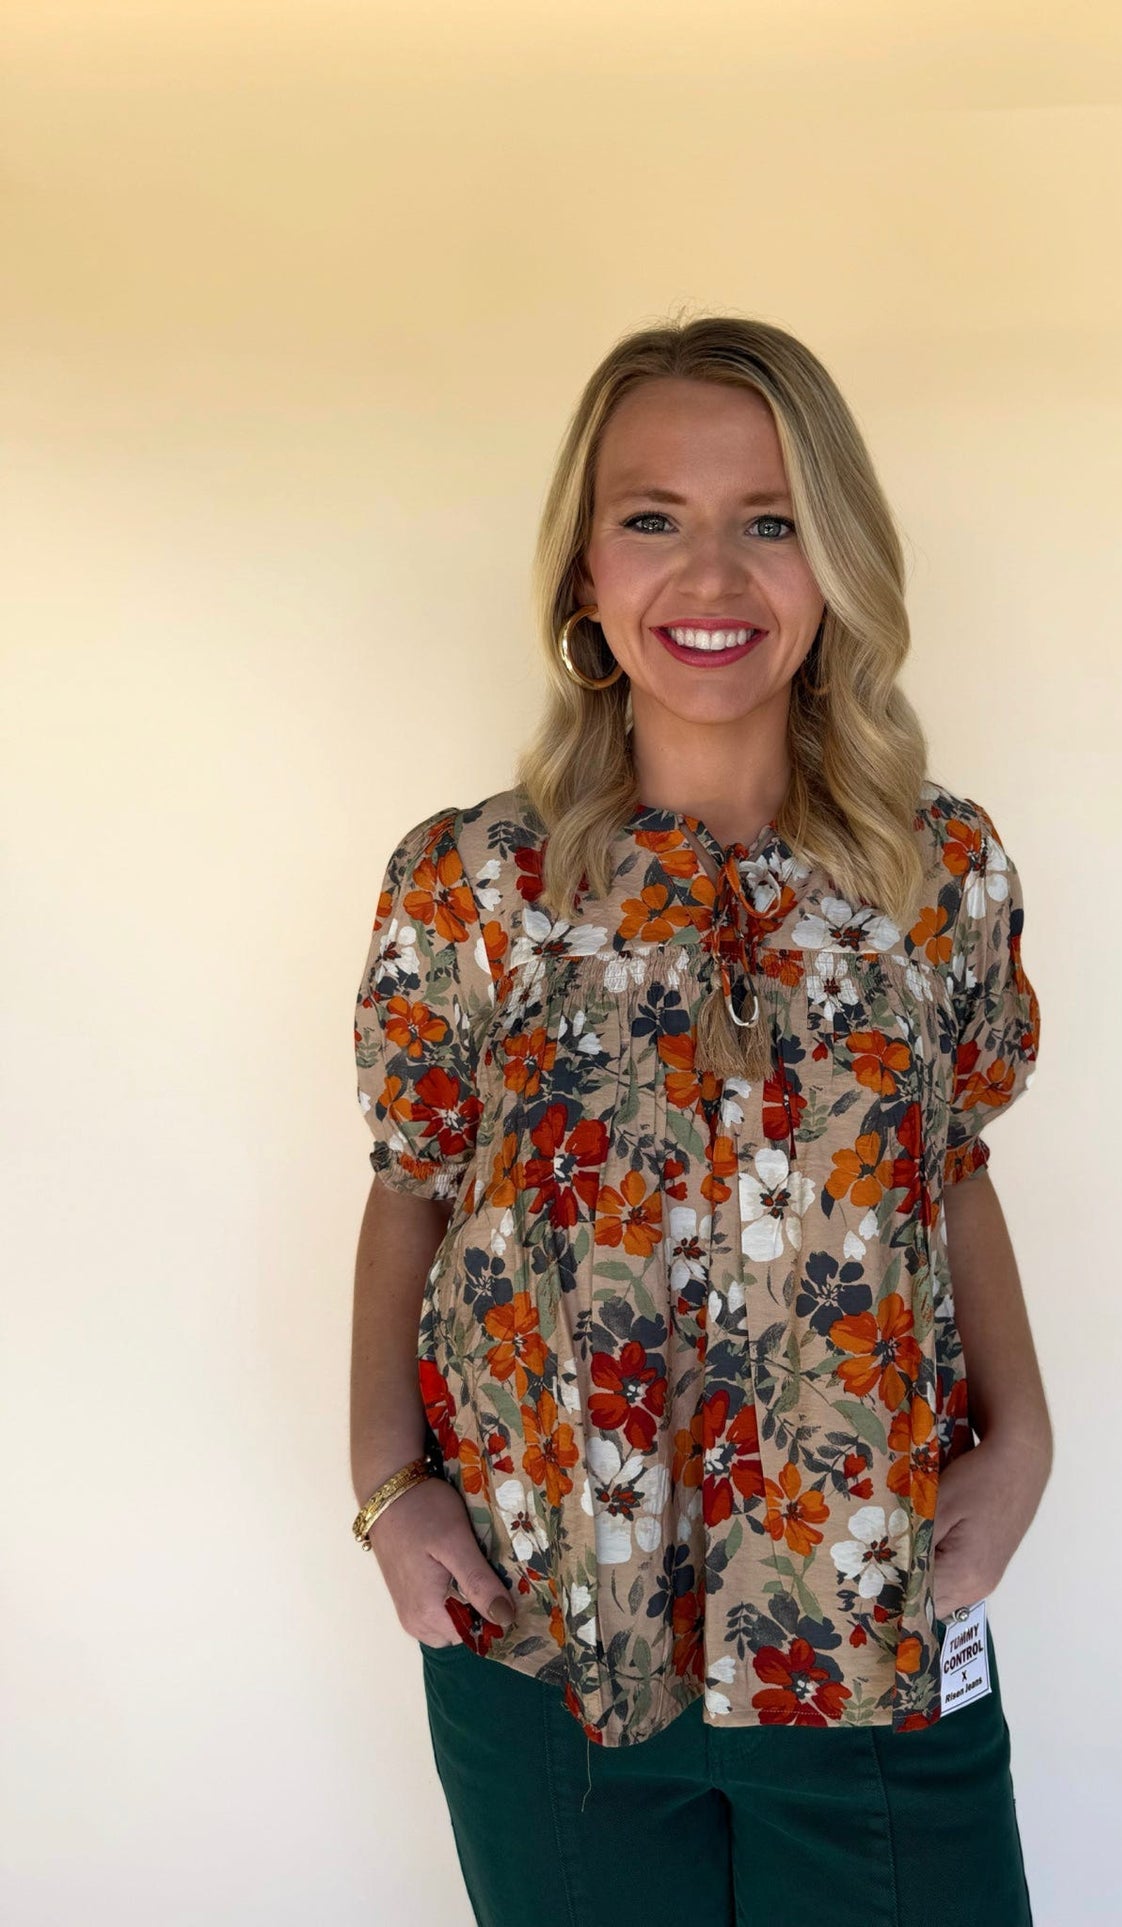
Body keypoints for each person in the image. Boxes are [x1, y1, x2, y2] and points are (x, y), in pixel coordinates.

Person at [349, 315, 1051, 1927]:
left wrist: (1020, 1451)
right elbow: (409, 1185)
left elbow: (952, 1168)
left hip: (869, 1627)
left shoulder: (935, 880)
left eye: (772, 521)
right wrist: (394, 1496)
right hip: (544, 1648)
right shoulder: (476, 888)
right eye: (651, 518)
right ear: (583, 579)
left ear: (837, 566)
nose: (712, 577)